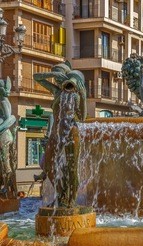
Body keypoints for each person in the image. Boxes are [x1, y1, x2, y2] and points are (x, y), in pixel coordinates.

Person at [33, 61, 87, 208]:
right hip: (56, 133)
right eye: (56, 77)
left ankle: (70, 200)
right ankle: (61, 194)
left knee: (71, 168)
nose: (57, 80)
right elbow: (36, 77)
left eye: (59, 75)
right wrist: (52, 74)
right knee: (48, 165)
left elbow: (82, 117)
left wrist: (83, 96)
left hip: (71, 132)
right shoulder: (57, 92)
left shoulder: (75, 95)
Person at [0, 77, 17, 196]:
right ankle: (9, 189)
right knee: (6, 163)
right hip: (6, 136)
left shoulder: (3, 101)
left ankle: (7, 189)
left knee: (5, 163)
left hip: (4, 136)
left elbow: (10, 118)